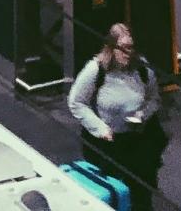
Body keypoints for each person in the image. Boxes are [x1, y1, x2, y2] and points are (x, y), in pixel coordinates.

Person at [67, 22, 165, 210]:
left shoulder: (142, 69)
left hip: (135, 141)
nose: (128, 53)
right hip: (106, 143)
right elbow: (76, 102)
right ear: (111, 47)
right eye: (123, 48)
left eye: (131, 48)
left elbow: (154, 98)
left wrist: (143, 114)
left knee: (140, 194)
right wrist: (99, 127)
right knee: (110, 191)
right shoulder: (96, 70)